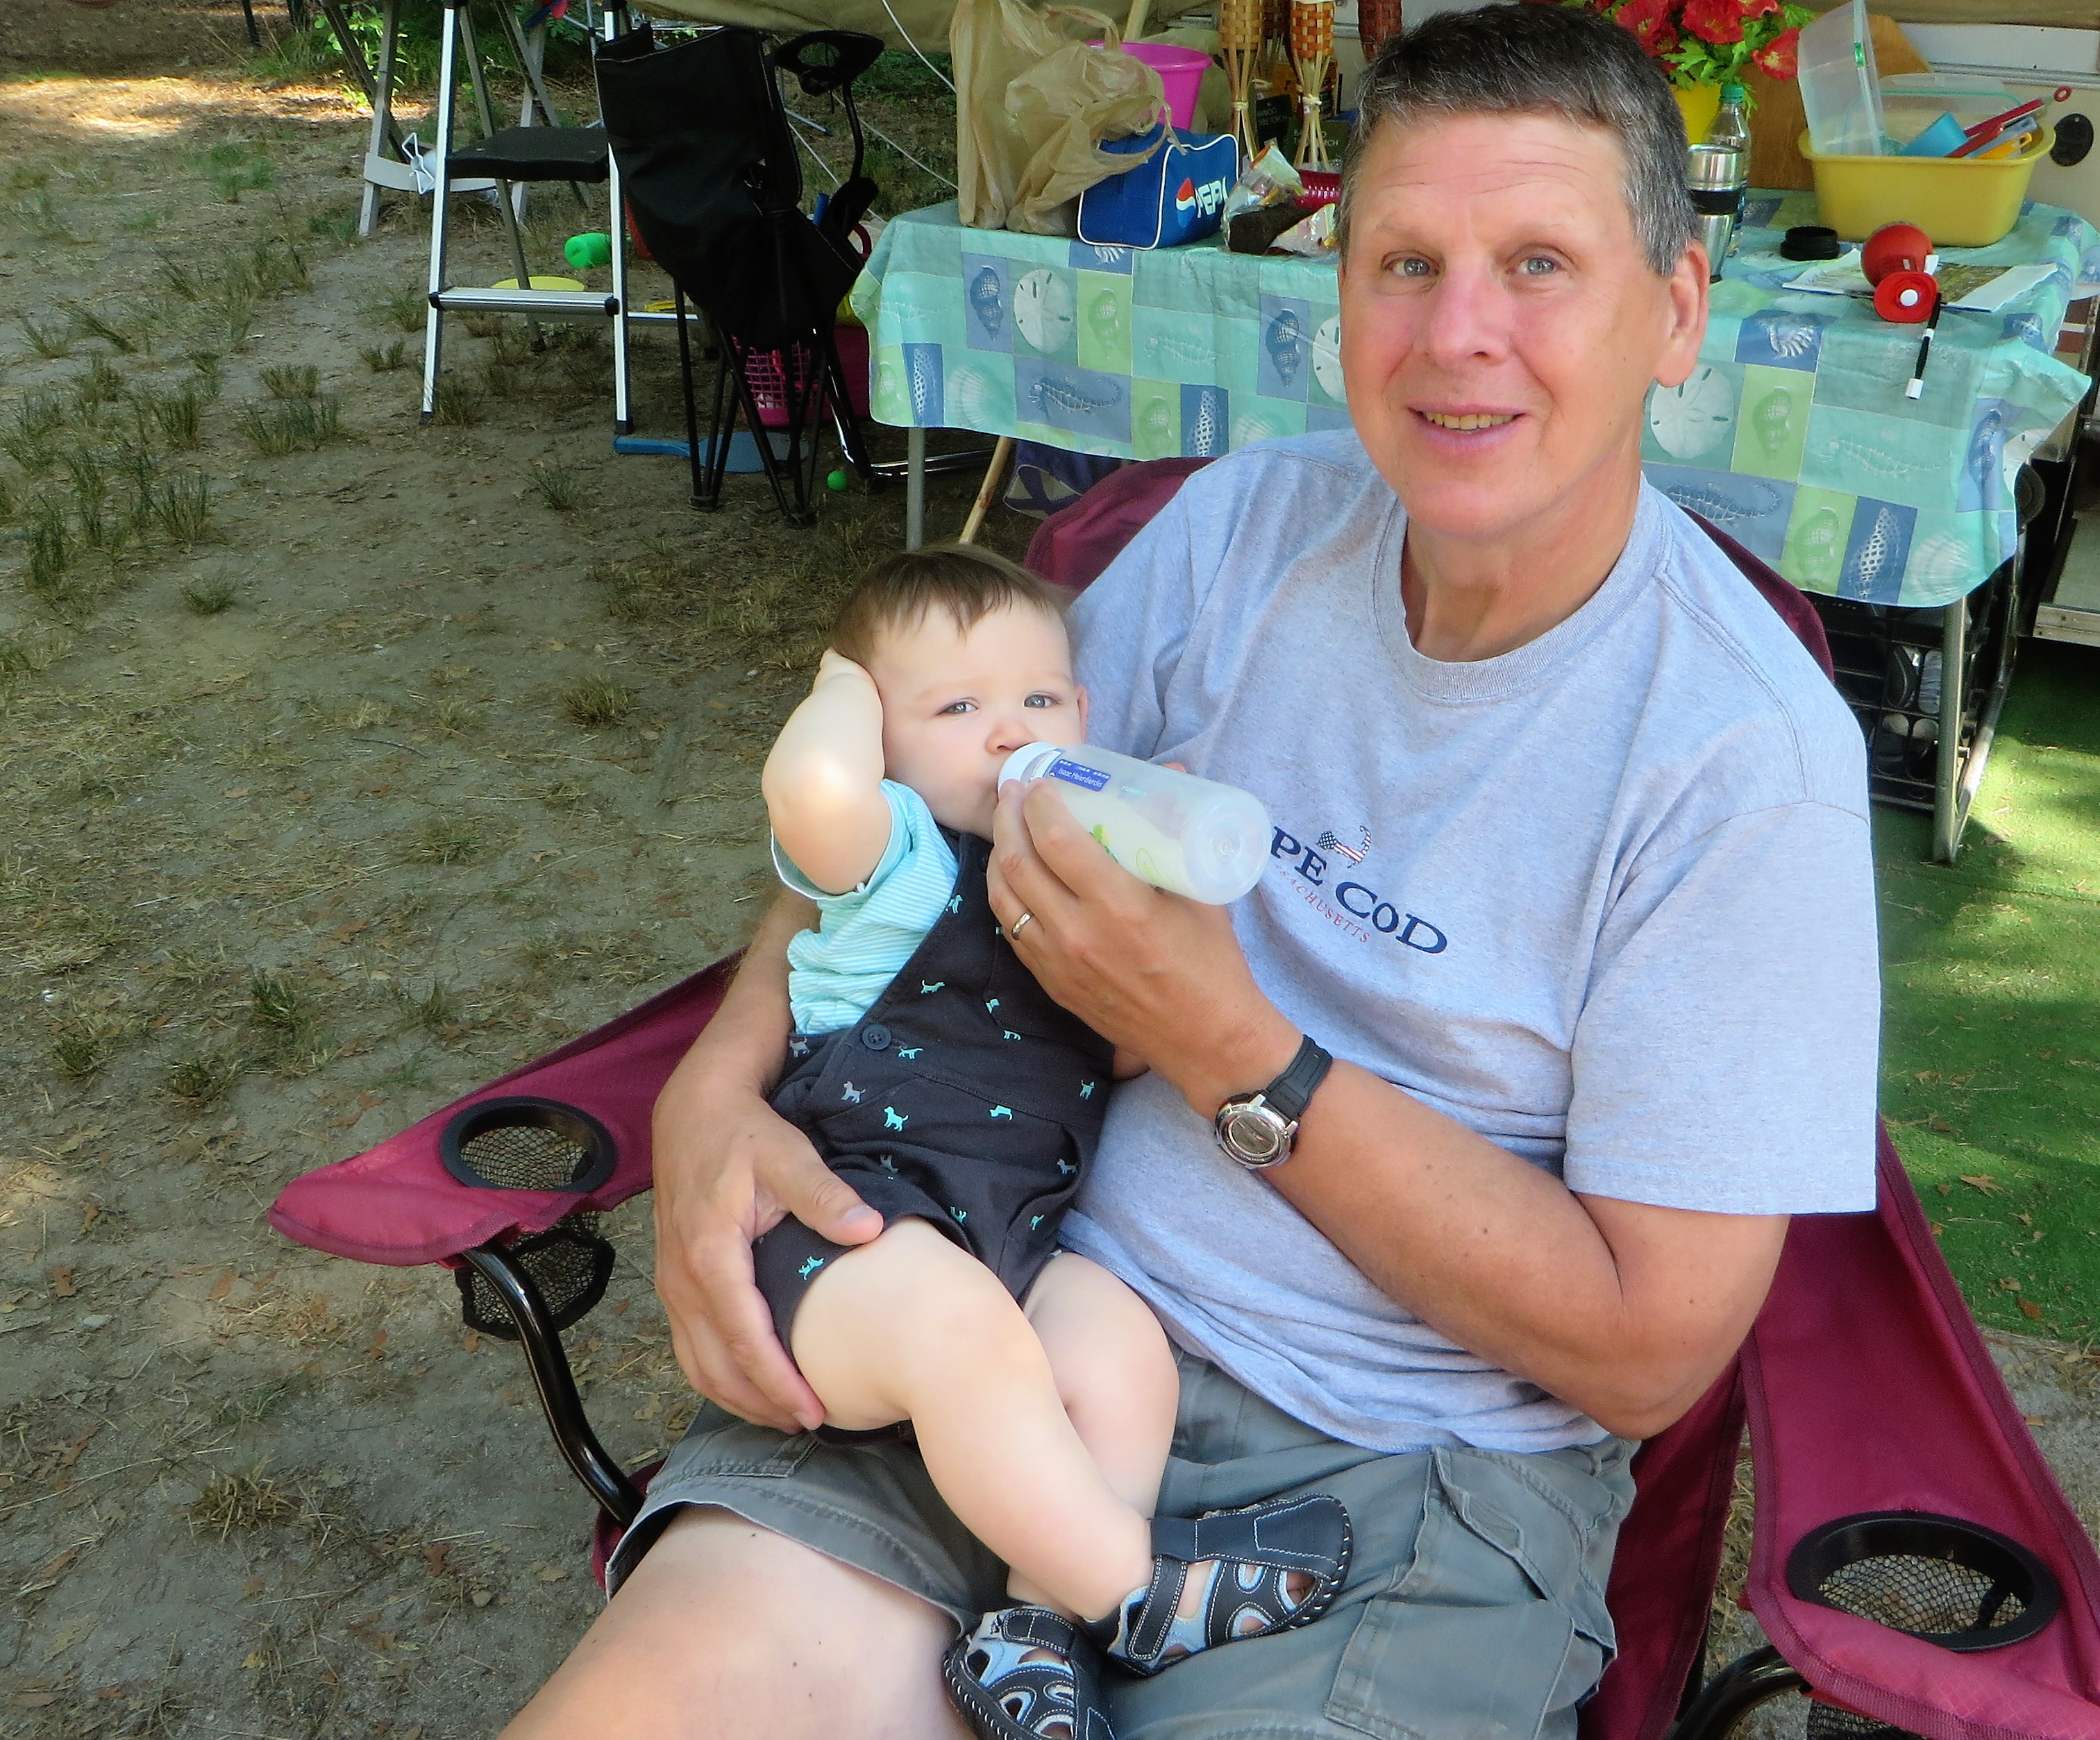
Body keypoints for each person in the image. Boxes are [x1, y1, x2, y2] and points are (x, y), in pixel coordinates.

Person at [505, 6, 1879, 1737]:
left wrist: (1236, 1054)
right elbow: (925, 807)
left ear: (1675, 311)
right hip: (1000, 1302)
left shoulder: (1746, 769)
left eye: (1541, 263)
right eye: (1405, 262)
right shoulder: (1241, 535)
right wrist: (716, 1082)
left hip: (1394, 1475)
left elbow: (1648, 1347)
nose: (1460, 334)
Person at [748, 545, 1351, 1740]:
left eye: (1036, 699)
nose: (1005, 732)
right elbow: (811, 787)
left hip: (1005, 1242)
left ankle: (1033, 1632)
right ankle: (1131, 1592)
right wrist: (841, 690)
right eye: (953, 709)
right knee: (958, 1331)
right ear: (879, 741)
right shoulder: (892, 859)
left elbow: (1116, 1054)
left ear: (1081, 714)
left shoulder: (1070, 886)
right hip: (850, 1245)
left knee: (1121, 1347)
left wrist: (1159, 915)